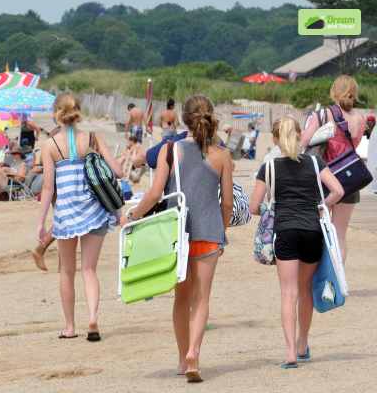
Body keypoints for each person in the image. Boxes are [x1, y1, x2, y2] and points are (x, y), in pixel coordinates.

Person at [123, 95, 233, 383]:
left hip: (177, 231)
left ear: (183, 119)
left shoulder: (170, 150)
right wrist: (222, 231)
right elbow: (227, 204)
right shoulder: (222, 155)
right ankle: (195, 352)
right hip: (209, 232)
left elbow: (156, 192)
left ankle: (182, 358)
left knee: (181, 298)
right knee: (202, 299)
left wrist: (133, 216)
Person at [250, 117, 344, 369]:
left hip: (286, 231)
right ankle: (303, 343)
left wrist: (272, 206)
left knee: (288, 293)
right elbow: (338, 190)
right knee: (304, 290)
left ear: (275, 138)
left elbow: (252, 207)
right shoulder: (315, 162)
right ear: (301, 135)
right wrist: (322, 206)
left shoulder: (269, 167)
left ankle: (290, 352)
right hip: (312, 231)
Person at [38, 93, 122, 342]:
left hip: (66, 215)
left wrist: (40, 223)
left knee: (66, 271)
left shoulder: (50, 146)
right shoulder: (93, 138)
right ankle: (93, 318)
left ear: (57, 114)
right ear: (77, 112)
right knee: (89, 270)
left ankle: (70, 326)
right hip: (95, 210)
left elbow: (47, 189)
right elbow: (116, 171)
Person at [301, 75, 367, 263]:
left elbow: (304, 143)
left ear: (333, 91)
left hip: (325, 177)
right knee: (340, 235)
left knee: (318, 230)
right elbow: (354, 145)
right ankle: (338, 282)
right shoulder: (360, 119)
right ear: (354, 94)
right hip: (350, 179)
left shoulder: (322, 115)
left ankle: (320, 278)